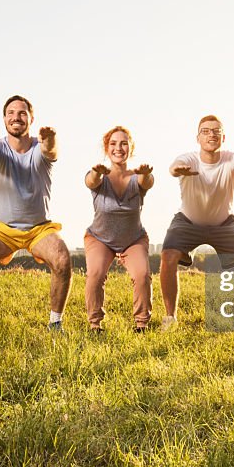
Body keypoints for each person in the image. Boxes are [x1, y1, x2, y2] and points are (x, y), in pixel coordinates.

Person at [0, 95, 72, 330]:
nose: (16, 117)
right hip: (4, 229)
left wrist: (50, 138)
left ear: (31, 118)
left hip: (39, 229)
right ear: (4, 119)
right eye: (11, 113)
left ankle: (55, 323)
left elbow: (51, 151)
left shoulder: (40, 146)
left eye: (22, 113)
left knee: (62, 260)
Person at [160, 115, 234, 330]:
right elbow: (174, 166)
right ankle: (170, 318)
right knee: (168, 255)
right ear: (198, 137)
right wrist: (177, 171)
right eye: (206, 131)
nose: (211, 134)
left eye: (216, 131)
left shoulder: (231, 158)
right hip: (188, 222)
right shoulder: (188, 159)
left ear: (223, 137)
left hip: (224, 223)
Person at [83, 126, 154, 333]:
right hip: (99, 238)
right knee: (95, 275)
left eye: (123, 143)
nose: (118, 148)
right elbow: (91, 181)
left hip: (133, 239)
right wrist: (96, 172)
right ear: (107, 148)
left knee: (142, 275)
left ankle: (141, 325)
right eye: (113, 144)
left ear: (130, 148)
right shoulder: (99, 176)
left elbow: (146, 182)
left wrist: (145, 174)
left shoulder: (137, 176)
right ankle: (95, 325)